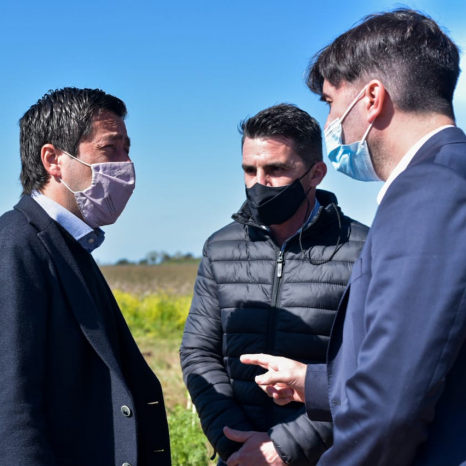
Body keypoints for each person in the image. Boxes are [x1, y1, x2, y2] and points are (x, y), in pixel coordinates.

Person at [241, 9, 466, 465]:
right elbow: (428, 355)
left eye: (329, 102)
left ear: (371, 99)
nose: (331, 122)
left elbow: (392, 405)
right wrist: (314, 381)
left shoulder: (429, 191)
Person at [0, 87, 171, 466]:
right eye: (109, 149)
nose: (126, 165)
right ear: (54, 160)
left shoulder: (68, 245)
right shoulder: (9, 251)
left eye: (127, 149)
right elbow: (8, 419)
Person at [180, 104, 369, 466]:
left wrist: (286, 447)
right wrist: (232, 438)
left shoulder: (364, 250)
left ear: (316, 174)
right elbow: (199, 352)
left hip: (328, 456)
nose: (259, 183)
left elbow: (370, 372)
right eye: (249, 170)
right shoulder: (220, 247)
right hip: (240, 454)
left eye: (276, 169)